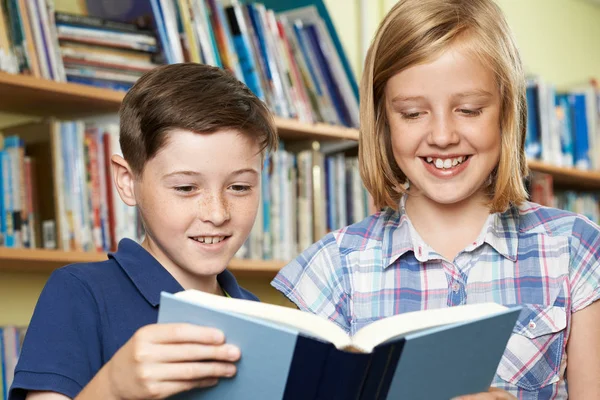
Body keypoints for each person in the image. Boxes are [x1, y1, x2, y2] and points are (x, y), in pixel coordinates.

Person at [271, 0, 600, 399]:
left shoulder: (575, 249)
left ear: (506, 111)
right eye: (412, 113)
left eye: (468, 110)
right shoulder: (333, 268)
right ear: (383, 120)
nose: (442, 136)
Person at [9, 63, 277, 400]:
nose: (217, 213)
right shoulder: (81, 293)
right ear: (127, 182)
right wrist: (114, 387)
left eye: (239, 187)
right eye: (185, 188)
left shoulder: (256, 314)